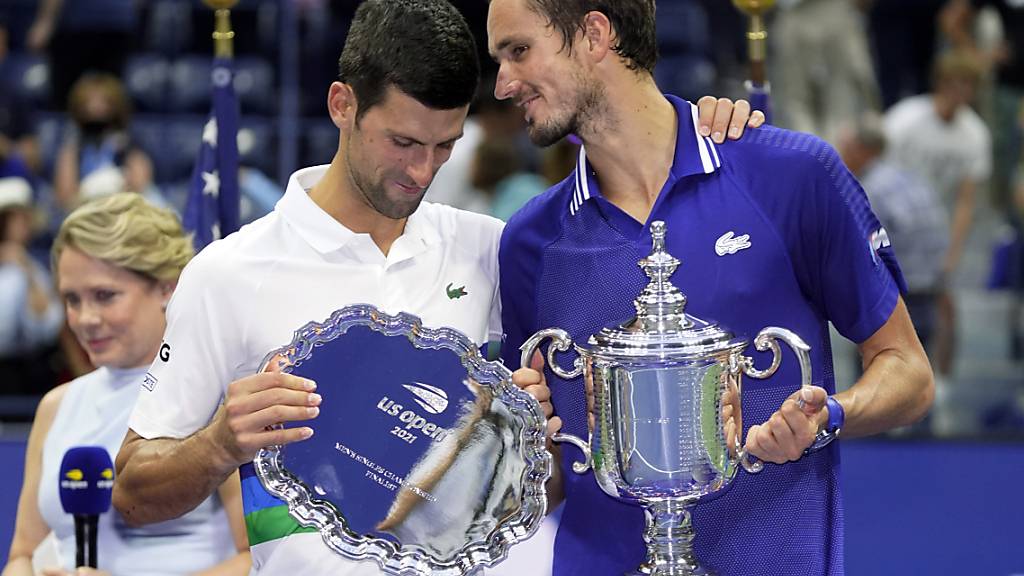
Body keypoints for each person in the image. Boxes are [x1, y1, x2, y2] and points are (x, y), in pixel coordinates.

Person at [111, 1, 761, 574]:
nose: (421, 171)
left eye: (444, 146)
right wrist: (221, 442)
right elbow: (133, 493)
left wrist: (523, 434)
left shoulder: (492, 248)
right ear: (342, 104)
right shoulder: (226, 274)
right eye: (402, 142)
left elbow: (542, 484)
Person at [488, 1, 934, 575]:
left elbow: (910, 374)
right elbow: (548, 484)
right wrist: (523, 439)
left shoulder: (792, 175)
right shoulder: (529, 240)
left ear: (595, 35)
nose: (502, 84)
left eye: (518, 51)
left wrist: (829, 416)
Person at [3, 193, 250, 576]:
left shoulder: (217, 396)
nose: (86, 318)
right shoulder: (56, 406)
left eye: (105, 296)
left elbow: (261, 558)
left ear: (167, 290)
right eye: (72, 299)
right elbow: (22, 553)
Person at [883, 50, 991, 377]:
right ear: (941, 84)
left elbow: (965, 200)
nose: (961, 93)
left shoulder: (975, 135)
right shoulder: (904, 119)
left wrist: (952, 250)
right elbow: (879, 176)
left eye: (968, 86)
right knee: (886, 306)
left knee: (944, 306)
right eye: (955, 84)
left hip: (936, 233)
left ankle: (940, 383)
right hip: (896, 225)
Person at [0, 176, 63, 395]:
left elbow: (48, 324)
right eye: (18, 218)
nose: (25, 225)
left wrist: (25, 269)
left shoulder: (31, 265)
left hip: (26, 370)